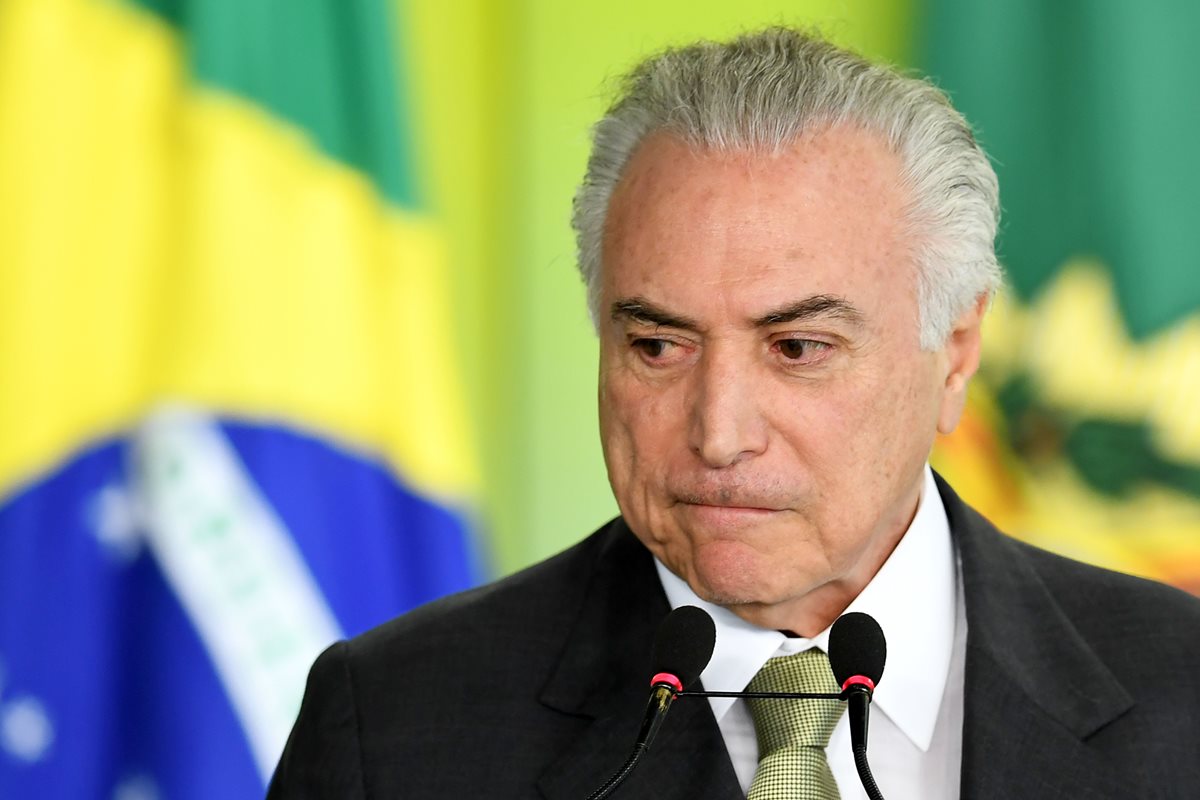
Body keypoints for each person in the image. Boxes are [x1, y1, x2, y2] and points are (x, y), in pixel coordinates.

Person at [268, 27, 1200, 799]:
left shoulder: (1183, 691)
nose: (718, 435)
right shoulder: (392, 727)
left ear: (954, 353)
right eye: (657, 346)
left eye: (797, 349)